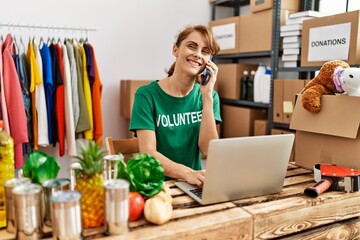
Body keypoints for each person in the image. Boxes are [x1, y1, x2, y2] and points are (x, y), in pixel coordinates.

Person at [130, 25, 221, 186]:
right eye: (191, 46)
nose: (197, 54)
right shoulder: (146, 95)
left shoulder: (210, 97)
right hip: (156, 186)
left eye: (205, 51)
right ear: (175, 50)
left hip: (193, 185)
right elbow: (148, 153)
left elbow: (208, 150)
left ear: (209, 62)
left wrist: (206, 97)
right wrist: (187, 173)